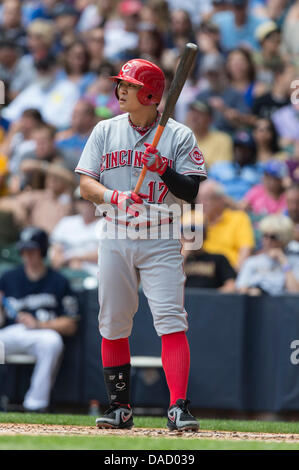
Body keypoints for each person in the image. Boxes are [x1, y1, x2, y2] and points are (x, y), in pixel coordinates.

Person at [75, 58, 207, 431]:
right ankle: (120, 408)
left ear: (149, 93)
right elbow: (86, 184)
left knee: (170, 320)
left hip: (161, 235)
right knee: (113, 321)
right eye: (121, 83)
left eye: (129, 85)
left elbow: (191, 191)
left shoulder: (178, 135)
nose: (121, 89)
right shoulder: (105, 129)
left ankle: (179, 407)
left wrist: (164, 168)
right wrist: (114, 197)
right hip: (116, 230)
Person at [0, 227, 79, 412]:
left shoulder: (59, 281)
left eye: (32, 250)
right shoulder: (8, 278)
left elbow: (71, 324)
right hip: (13, 333)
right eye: (23, 250)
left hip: (43, 333)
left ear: (42, 251)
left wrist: (39, 324)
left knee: (52, 342)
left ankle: (35, 404)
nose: (27, 255)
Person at [196, 180, 255, 270]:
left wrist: (234, 275)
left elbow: (245, 249)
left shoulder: (239, 218)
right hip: (199, 271)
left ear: (221, 200)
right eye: (199, 199)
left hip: (228, 272)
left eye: (207, 198)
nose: (202, 203)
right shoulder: (191, 219)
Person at [236, 214, 299, 295]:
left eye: (273, 237)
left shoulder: (295, 261)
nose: (268, 241)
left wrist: (284, 262)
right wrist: (250, 291)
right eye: (265, 235)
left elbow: (295, 293)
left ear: (284, 239)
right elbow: (240, 289)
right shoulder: (252, 261)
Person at [50, 187, 98, 276]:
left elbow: (103, 255)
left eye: (90, 199)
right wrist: (67, 262)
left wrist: (74, 257)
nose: (86, 203)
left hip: (94, 275)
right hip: (66, 272)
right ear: (76, 202)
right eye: (81, 199)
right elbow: (55, 252)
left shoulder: (105, 225)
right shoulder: (66, 222)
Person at [208, 130, 263, 201]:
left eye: (246, 149)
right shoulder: (219, 167)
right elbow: (208, 189)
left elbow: (263, 194)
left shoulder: (259, 170)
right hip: (221, 206)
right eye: (238, 148)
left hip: (248, 207)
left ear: (252, 151)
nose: (241, 152)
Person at [185, 99, 233, 168]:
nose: (194, 117)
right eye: (192, 112)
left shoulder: (223, 139)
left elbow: (222, 170)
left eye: (200, 114)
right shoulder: (182, 138)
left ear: (210, 119)